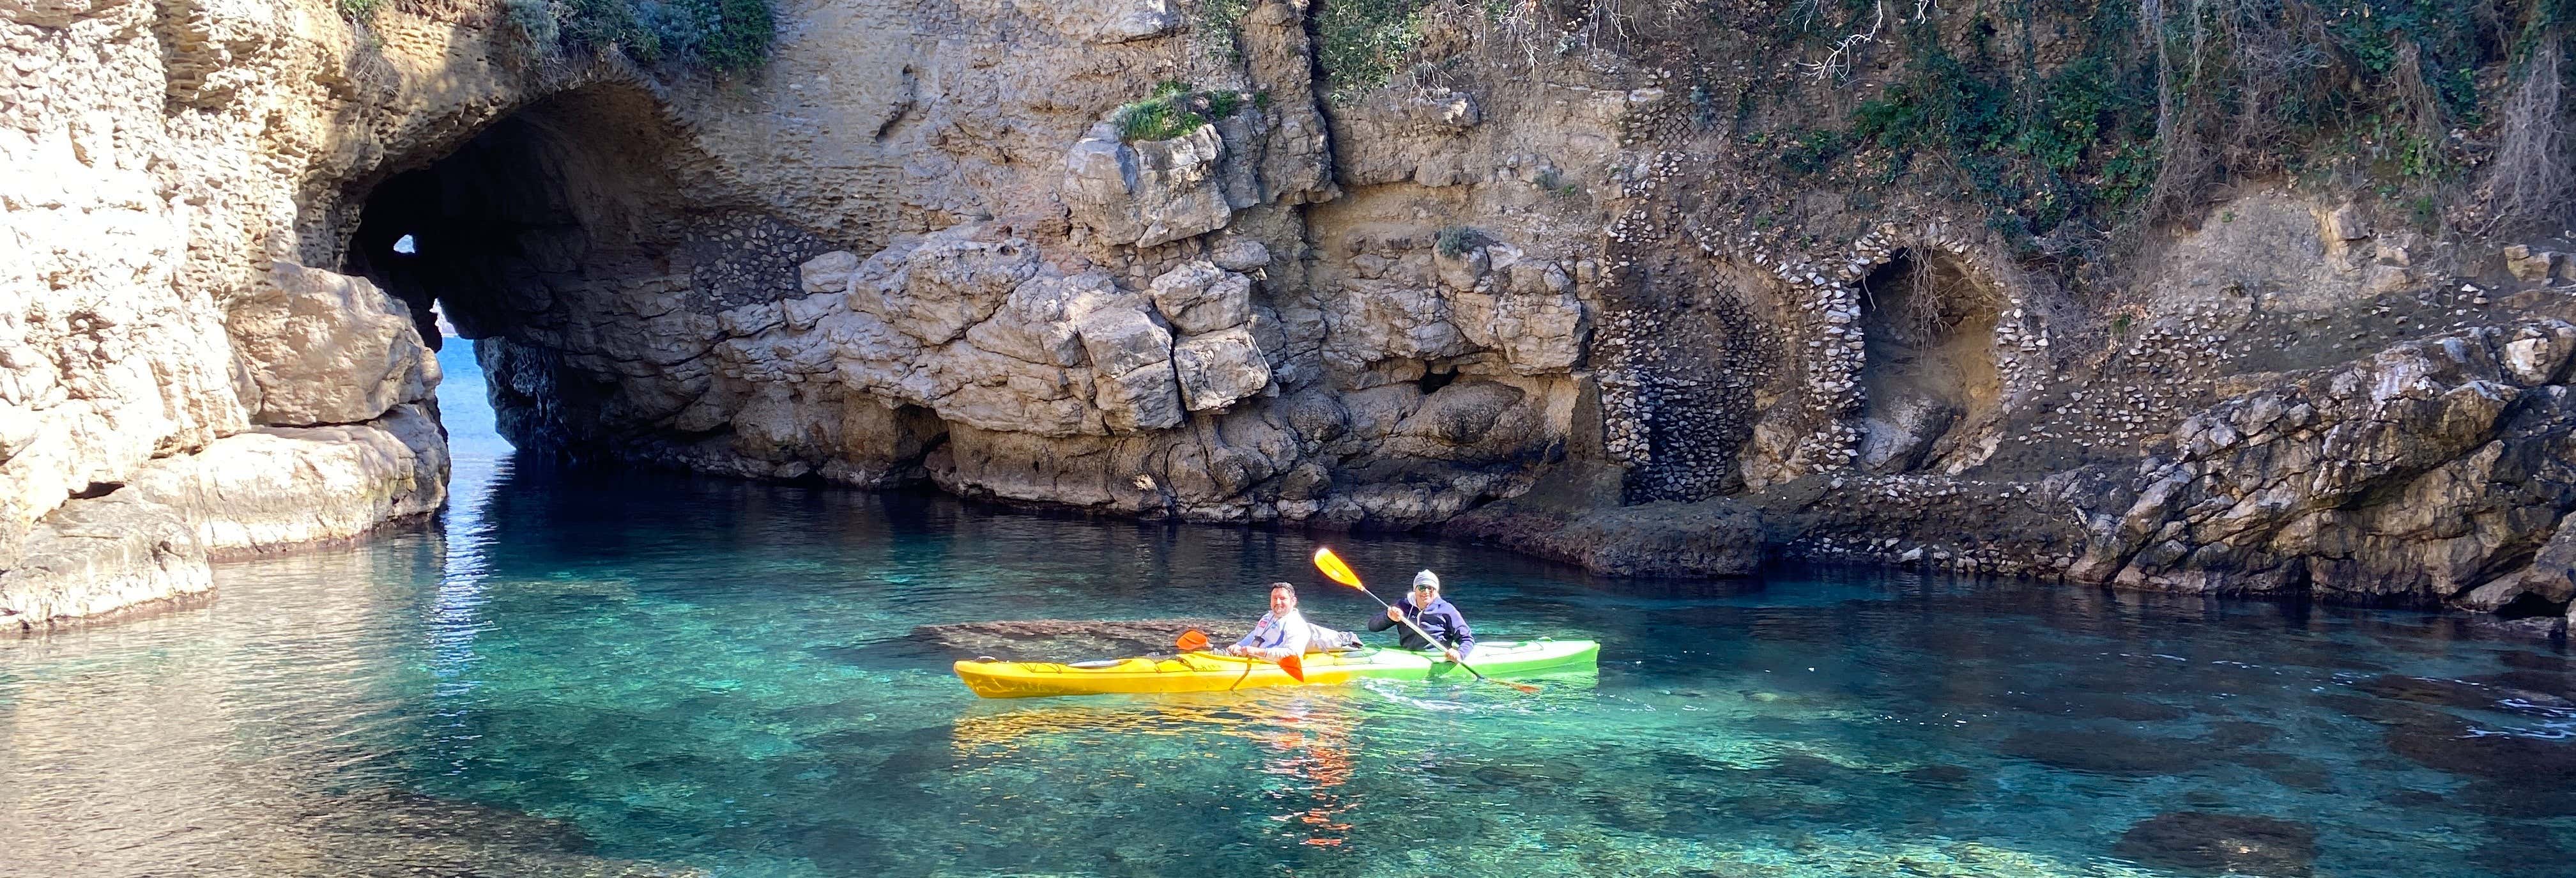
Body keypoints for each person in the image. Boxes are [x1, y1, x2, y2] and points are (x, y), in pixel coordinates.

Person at [1367, 570, 1474, 662]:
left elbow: (1467, 639)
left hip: (1437, 657)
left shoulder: (1447, 609)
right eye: (1422, 588)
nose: (1426, 592)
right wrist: (1389, 617)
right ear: (1415, 589)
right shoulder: (1402, 606)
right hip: (1408, 655)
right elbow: (1372, 626)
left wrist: (1460, 654)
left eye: (1430, 588)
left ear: (1436, 590)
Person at [1227, 582, 1312, 661]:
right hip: (1252, 659)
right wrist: (1239, 645)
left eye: (1283, 599)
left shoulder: (1297, 625)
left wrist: (1256, 652)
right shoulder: (1268, 617)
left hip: (1270, 664)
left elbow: (1293, 655)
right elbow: (1255, 635)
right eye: (1275, 598)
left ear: (1293, 601)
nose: (1278, 602)